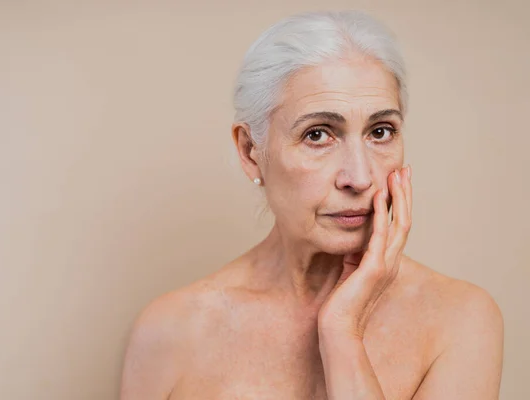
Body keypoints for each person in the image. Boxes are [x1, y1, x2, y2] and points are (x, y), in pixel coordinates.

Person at [120, 10, 504, 399]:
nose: (359, 177)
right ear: (251, 151)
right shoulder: (170, 330)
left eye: (380, 131)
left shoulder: (460, 319)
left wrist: (342, 331)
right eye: (318, 134)